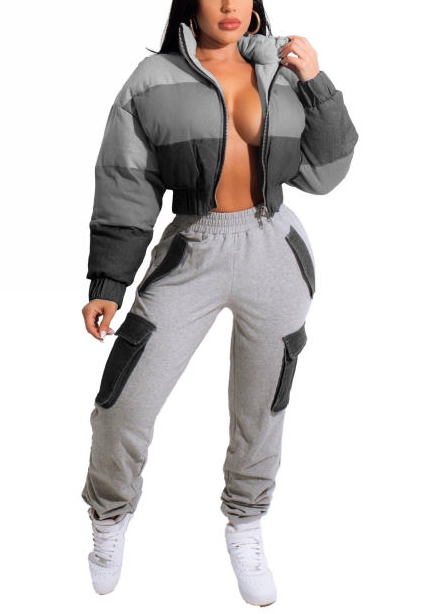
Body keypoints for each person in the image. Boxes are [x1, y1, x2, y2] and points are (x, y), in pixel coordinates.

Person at [81, 0, 358, 606]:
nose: (229, 5)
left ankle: (246, 523)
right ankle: (109, 517)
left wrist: (318, 83)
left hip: (273, 247)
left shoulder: (283, 74)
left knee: (263, 406)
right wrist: (108, 282)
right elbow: (126, 179)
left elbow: (327, 172)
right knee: (124, 403)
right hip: (194, 247)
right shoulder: (152, 80)